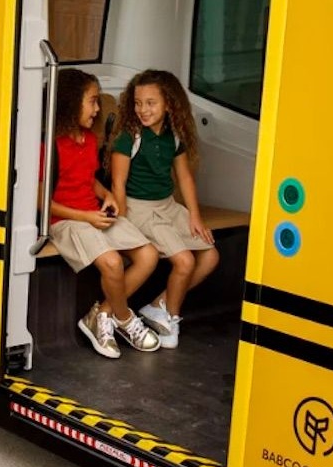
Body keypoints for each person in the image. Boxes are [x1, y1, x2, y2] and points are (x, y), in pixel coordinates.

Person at [42, 68, 163, 358]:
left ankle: (101, 315)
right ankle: (124, 319)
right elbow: (40, 202)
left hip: (93, 213)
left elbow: (88, 179)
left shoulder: (90, 140)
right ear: (72, 103)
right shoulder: (50, 145)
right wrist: (86, 217)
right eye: (93, 101)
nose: (98, 109)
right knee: (112, 262)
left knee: (149, 255)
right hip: (66, 221)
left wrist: (106, 195)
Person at [110, 69, 220, 349]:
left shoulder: (173, 136)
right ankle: (170, 319)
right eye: (137, 103)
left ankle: (159, 305)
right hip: (140, 209)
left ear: (169, 104)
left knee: (210, 256)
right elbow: (118, 183)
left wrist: (194, 216)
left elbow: (184, 177)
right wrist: (121, 225)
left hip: (168, 207)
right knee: (184, 261)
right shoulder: (130, 136)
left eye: (150, 103)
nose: (142, 110)